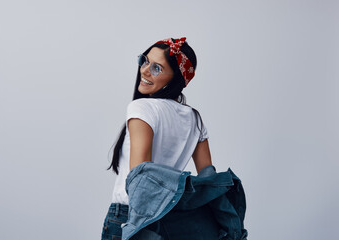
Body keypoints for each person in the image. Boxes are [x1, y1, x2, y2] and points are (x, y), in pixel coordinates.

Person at [101, 37, 247, 240]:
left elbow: (140, 179)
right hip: (170, 222)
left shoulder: (141, 108)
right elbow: (209, 180)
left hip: (130, 217)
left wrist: (136, 231)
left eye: (157, 68)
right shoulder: (195, 119)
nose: (144, 70)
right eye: (144, 60)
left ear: (175, 79)